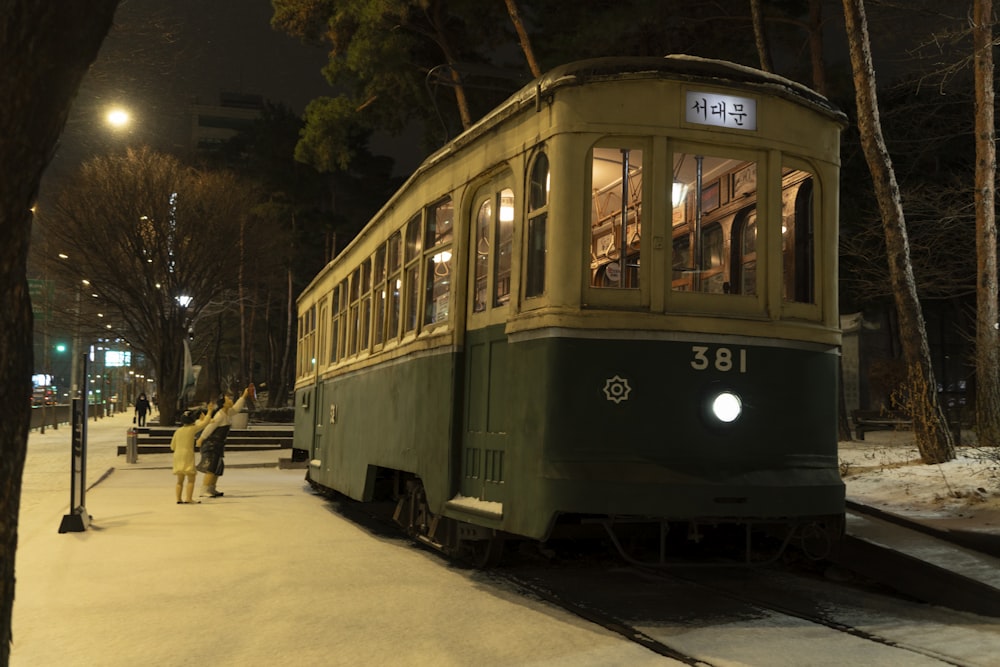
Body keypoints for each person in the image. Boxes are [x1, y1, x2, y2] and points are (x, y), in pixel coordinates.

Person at [196, 383, 253, 498]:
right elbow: (209, 427)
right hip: (212, 444)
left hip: (218, 444)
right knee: (211, 467)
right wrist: (201, 439)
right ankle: (204, 489)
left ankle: (211, 488)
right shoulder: (220, 415)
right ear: (223, 403)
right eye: (228, 399)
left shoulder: (228, 412)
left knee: (217, 467)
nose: (231, 400)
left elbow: (236, 408)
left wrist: (244, 396)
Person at [170, 405, 214, 504]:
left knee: (179, 480)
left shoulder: (178, 431)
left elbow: (172, 446)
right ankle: (188, 498)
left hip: (177, 455)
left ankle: (178, 499)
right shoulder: (192, 429)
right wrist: (209, 412)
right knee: (191, 478)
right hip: (187, 455)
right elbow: (205, 423)